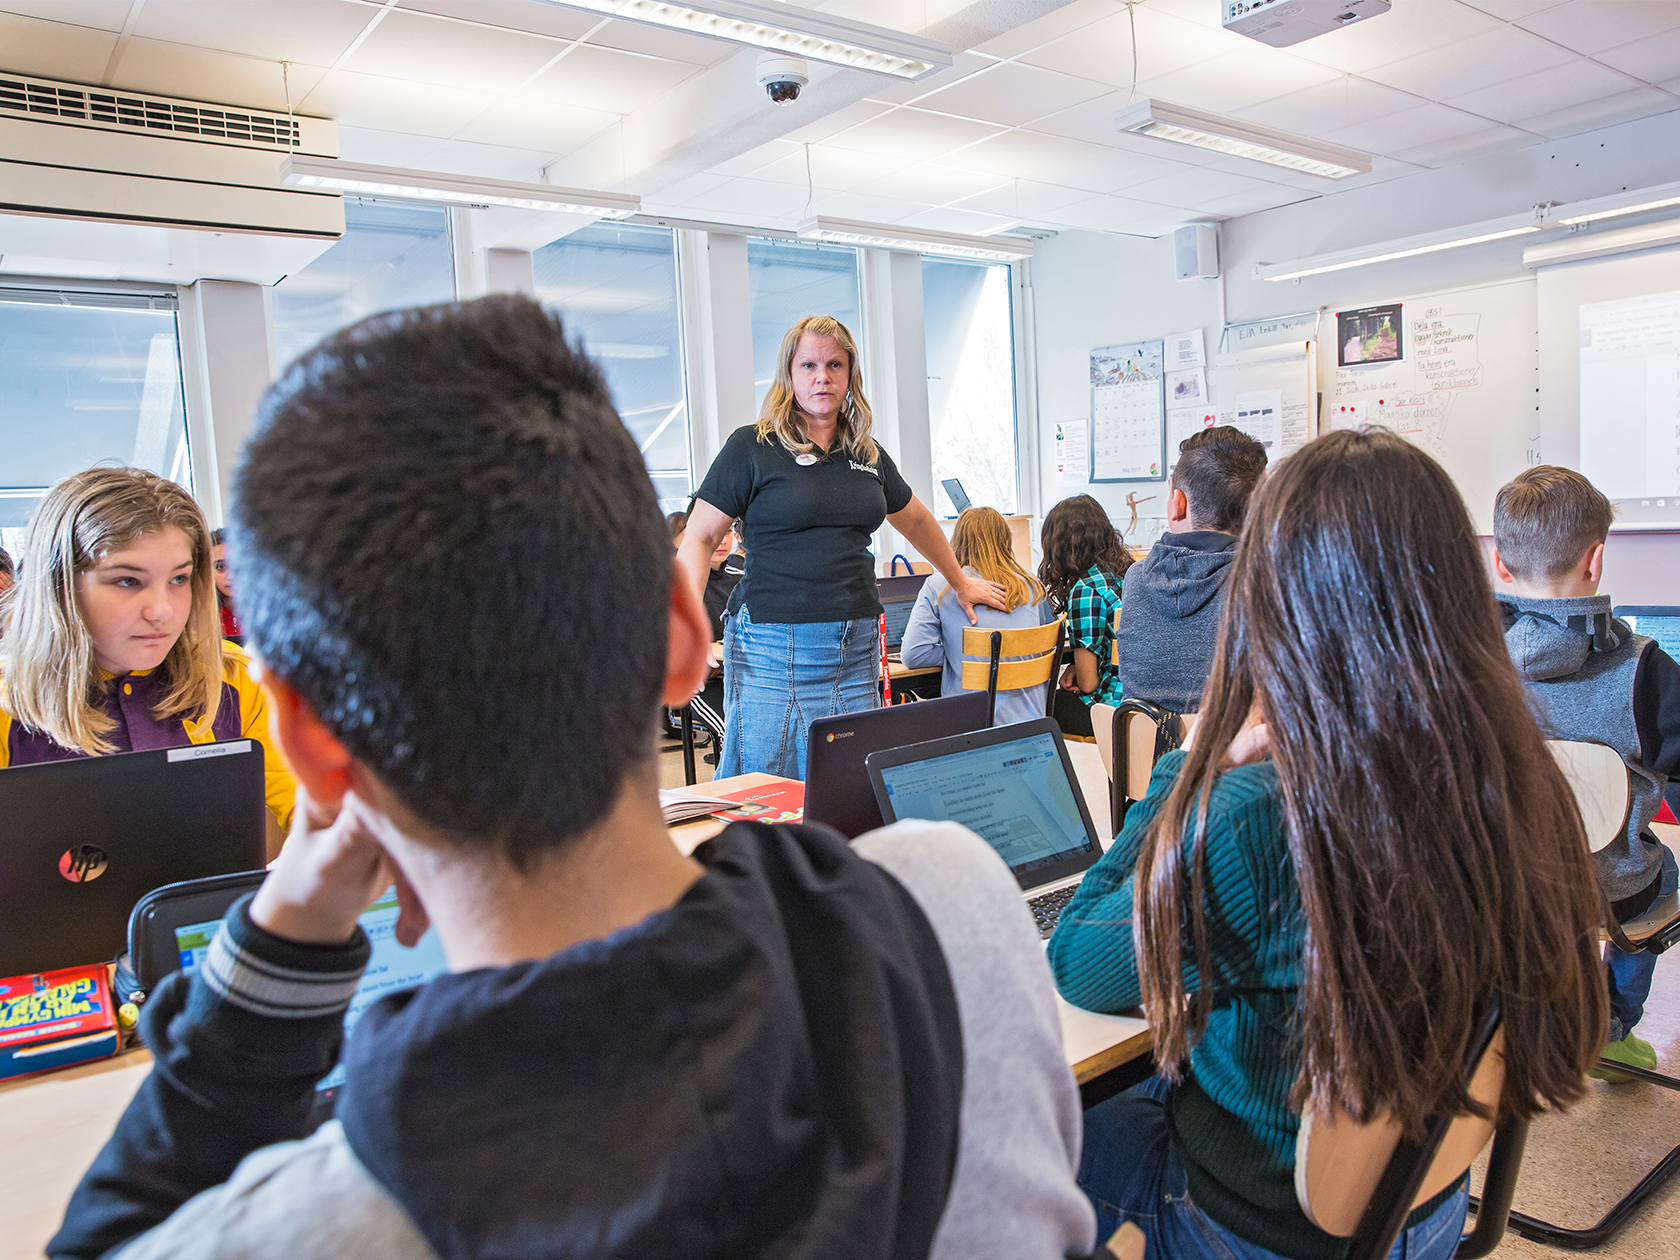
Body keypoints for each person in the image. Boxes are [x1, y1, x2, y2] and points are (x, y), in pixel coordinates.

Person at [49, 295, 1096, 1260]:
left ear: (311, 745)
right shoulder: (950, 901)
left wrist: (283, 938)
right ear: (683, 636)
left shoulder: (310, 1230)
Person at [1049, 429, 1609, 1260]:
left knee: (1033, 1115)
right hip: (1420, 1211)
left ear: (1273, 595)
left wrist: (1184, 780)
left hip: (1253, 1232)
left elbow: (1078, 964)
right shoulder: (1517, 780)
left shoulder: (1255, 816)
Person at [676, 314, 1005, 779]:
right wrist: (687, 626)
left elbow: (916, 519)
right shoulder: (752, 447)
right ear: (789, 375)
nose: (822, 377)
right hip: (772, 650)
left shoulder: (865, 453)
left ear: (850, 375)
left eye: (834, 365)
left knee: (850, 784)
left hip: (856, 650)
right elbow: (700, 537)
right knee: (763, 787)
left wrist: (960, 581)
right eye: (808, 365)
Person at [1493, 464, 1680, 1081]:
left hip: (1503, 888)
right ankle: (1614, 1032)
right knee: (1663, 865)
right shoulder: (1647, 673)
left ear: (1500, 565)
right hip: (1612, 891)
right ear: (1595, 560)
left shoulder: (1468, 664)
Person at [0, 468, 293, 835]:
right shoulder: (9, 701)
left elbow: (317, 811)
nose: (162, 611)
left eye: (178, 579)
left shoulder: (237, 678)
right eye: (127, 581)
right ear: (60, 586)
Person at [1117, 426, 1266, 713]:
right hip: (1233, 755)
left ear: (1178, 505)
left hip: (1142, 755)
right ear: (1260, 507)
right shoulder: (1263, 580)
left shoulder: (1134, 579)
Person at [901, 506, 1055, 726]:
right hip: (1033, 723)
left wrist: (957, 654)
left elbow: (913, 655)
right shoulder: (1032, 584)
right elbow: (1046, 645)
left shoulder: (940, 586)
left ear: (956, 541)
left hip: (969, 728)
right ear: (1006, 541)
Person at [1039, 495, 1131, 737]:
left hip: (1109, 709)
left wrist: (1079, 669)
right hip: (1137, 699)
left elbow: (1089, 685)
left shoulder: (1085, 590)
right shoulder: (1125, 571)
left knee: (1040, 708)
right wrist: (1076, 666)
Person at [211, 528, 241, 638]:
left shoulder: (266, 615)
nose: (231, 576)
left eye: (236, 564)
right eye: (221, 567)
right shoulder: (199, 618)